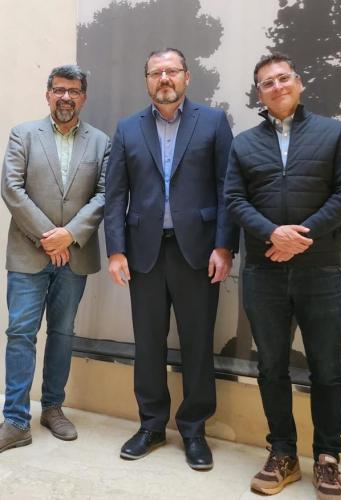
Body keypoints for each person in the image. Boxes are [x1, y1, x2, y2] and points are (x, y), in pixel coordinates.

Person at [225, 53, 341, 499]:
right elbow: (234, 199)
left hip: (319, 270)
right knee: (270, 366)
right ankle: (282, 453)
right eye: (267, 82)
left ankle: (328, 458)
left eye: (283, 78)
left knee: (326, 367)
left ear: (298, 83)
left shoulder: (332, 133)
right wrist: (273, 234)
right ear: (259, 94)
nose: (277, 86)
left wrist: (302, 235)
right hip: (263, 272)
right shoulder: (244, 144)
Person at [104, 48, 238, 470]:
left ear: (186, 77)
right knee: (148, 344)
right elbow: (115, 196)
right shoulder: (127, 128)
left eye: (171, 71)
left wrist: (225, 246)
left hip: (198, 251)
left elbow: (228, 189)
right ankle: (151, 425)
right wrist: (116, 250)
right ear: (147, 80)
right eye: (156, 72)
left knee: (197, 343)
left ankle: (194, 430)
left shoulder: (213, 122)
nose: (164, 78)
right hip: (143, 253)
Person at [0, 65, 109, 458]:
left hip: (74, 256)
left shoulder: (101, 142)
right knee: (21, 333)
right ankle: (15, 421)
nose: (66, 97)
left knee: (63, 333)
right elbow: (11, 188)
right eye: (59, 90)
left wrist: (70, 235)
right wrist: (50, 237)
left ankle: (52, 408)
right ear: (47, 95)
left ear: (83, 97)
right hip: (29, 253)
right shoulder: (24, 134)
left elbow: (104, 194)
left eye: (74, 91)